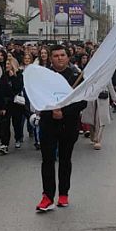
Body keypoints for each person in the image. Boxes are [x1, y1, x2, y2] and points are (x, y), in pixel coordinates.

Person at [36, 45, 87, 212]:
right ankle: (47, 196)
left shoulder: (76, 75)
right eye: (56, 55)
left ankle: (64, 193)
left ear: (68, 57)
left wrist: (63, 112)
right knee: (48, 160)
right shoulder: (43, 76)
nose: (59, 58)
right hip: (48, 123)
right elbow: (36, 95)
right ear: (50, 58)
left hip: (68, 124)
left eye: (62, 55)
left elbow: (83, 101)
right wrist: (51, 110)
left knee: (65, 160)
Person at [0, 56, 25, 153]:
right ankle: (5, 144)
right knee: (5, 124)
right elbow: (1, 90)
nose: (7, 66)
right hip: (7, 103)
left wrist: (13, 77)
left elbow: (18, 88)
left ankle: (18, 138)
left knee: (17, 123)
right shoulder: (4, 76)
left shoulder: (19, 75)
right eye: (6, 64)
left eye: (9, 64)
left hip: (16, 103)